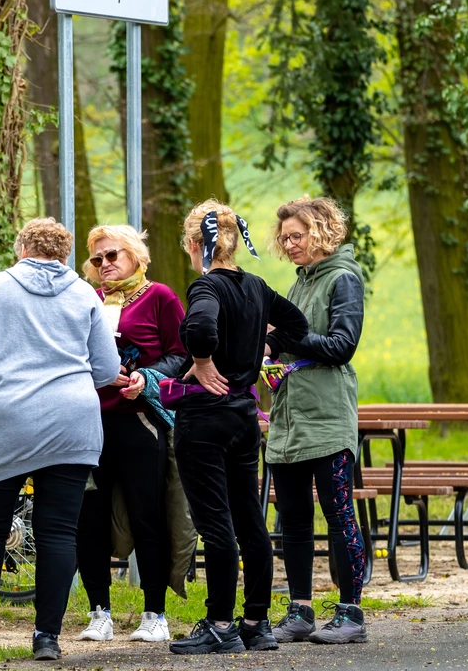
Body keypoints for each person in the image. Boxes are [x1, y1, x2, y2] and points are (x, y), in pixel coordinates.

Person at [0, 218, 120, 661]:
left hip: (7, 422)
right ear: (64, 254)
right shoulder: (85, 294)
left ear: (22, 250)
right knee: (58, 531)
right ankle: (46, 638)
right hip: (72, 424)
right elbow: (106, 369)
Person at [168, 200, 308, 656]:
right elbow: (297, 324)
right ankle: (256, 623)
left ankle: (220, 624)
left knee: (216, 524)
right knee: (250, 521)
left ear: (196, 245)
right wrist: (263, 347)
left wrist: (203, 361)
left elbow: (200, 329)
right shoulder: (256, 286)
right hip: (245, 417)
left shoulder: (206, 285)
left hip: (205, 418)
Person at [76, 225, 187, 643]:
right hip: (91, 423)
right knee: (89, 518)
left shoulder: (160, 297)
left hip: (140, 420)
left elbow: (181, 355)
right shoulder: (88, 300)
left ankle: (155, 614)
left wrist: (148, 376)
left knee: (147, 515)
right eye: (97, 258)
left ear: (136, 255)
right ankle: (99, 613)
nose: (104, 264)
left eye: (112, 255)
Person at [265, 197, 368, 644]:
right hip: (289, 419)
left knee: (338, 513)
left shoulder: (343, 278)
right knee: (292, 518)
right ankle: (300, 611)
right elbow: (295, 343)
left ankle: (351, 614)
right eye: (285, 238)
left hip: (328, 416)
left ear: (322, 233)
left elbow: (342, 346)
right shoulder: (297, 284)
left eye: (297, 236)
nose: (289, 244)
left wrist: (287, 338)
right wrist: (271, 354)